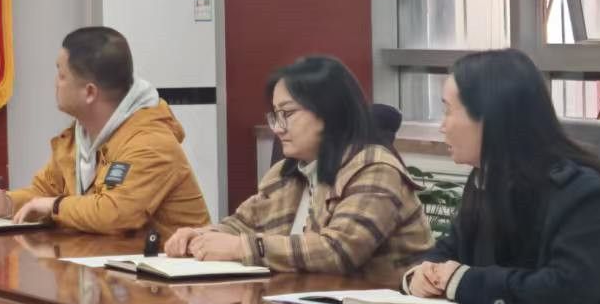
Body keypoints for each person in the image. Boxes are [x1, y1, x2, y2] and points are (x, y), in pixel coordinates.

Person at [164, 56, 431, 275]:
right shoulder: (285, 174)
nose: (278, 128)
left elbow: (338, 251)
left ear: (329, 111)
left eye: (288, 114)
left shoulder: (374, 169)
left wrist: (241, 248)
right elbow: (243, 224)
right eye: (275, 116)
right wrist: (200, 236)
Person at [403, 49, 600, 304]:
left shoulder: (581, 193)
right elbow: (448, 250)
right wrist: (421, 275)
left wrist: (463, 281)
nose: (442, 126)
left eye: (448, 111)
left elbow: (570, 291)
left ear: (490, 117)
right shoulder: (485, 179)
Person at [0, 27, 209, 238]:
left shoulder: (150, 141)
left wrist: (54, 206)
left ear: (89, 93)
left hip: (173, 271)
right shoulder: (79, 134)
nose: (55, 83)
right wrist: (6, 204)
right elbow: (44, 192)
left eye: (62, 75)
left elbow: (114, 214)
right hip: (105, 266)